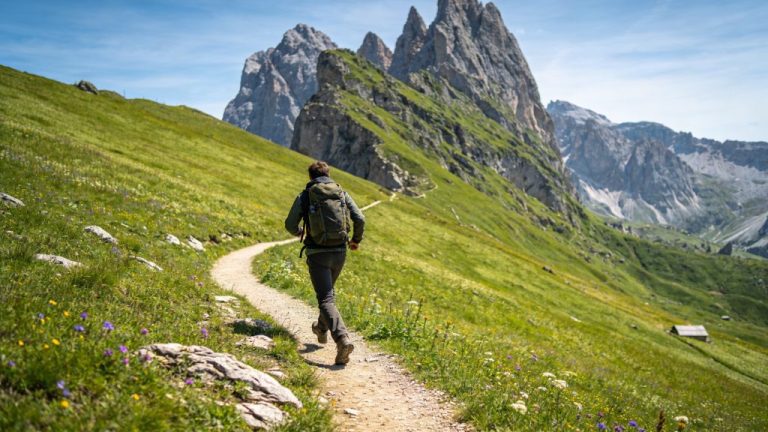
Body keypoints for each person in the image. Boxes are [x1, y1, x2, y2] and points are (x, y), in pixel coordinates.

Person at [284, 161, 365, 365]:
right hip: (339, 252)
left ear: (310, 176)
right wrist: (355, 240)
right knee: (328, 294)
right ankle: (321, 328)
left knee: (326, 298)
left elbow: (290, 224)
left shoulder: (306, 195)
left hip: (317, 253)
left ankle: (342, 339)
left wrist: (300, 232)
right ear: (328, 174)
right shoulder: (341, 193)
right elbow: (360, 218)